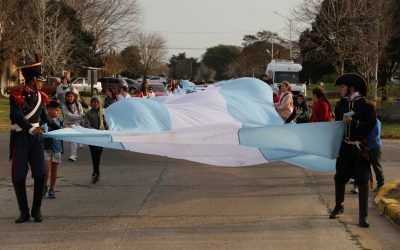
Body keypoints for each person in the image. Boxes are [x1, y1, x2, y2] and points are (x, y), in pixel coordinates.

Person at [9, 55, 61, 223]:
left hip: (36, 140)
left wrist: (62, 129)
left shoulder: (41, 97)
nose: (42, 82)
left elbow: (46, 118)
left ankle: (36, 209)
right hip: (20, 139)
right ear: (32, 80)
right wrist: (31, 128)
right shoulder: (17, 95)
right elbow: (17, 116)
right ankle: (23, 212)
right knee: (19, 175)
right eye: (40, 80)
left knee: (40, 174)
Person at [329, 73, 376, 228]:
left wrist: (354, 123)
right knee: (340, 177)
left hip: (359, 148)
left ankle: (363, 216)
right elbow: (336, 128)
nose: (340, 90)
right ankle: (338, 206)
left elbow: (369, 126)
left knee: (362, 180)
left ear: (351, 88)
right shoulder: (341, 104)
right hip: (344, 148)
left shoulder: (366, 105)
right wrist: (335, 146)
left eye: (342, 87)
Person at [41, 101, 63, 199]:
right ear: (48, 109)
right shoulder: (43, 120)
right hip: (46, 148)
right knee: (46, 169)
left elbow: (62, 134)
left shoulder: (59, 121)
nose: (58, 112)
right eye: (56, 110)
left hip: (57, 148)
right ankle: (44, 186)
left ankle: (52, 189)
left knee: (54, 170)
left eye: (59, 111)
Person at [83, 96, 108, 183]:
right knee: (94, 155)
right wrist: (94, 131)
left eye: (97, 102)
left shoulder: (103, 113)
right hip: (92, 138)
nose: (95, 104)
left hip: (101, 138)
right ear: (91, 103)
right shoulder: (88, 113)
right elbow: (86, 125)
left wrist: (108, 132)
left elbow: (106, 124)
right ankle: (95, 173)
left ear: (99, 103)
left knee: (98, 155)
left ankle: (96, 172)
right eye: (93, 102)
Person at [62, 91, 84, 161]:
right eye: (68, 97)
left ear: (74, 97)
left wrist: (81, 117)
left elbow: (81, 113)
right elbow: (70, 116)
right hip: (67, 124)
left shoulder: (78, 104)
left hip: (76, 124)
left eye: (71, 96)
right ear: (66, 97)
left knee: (73, 139)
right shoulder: (64, 106)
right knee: (71, 139)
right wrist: (81, 116)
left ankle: (73, 155)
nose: (70, 98)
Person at [370, 116, 384, 192]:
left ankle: (381, 184)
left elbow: (375, 133)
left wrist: (365, 137)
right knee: (363, 167)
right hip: (367, 146)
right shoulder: (366, 118)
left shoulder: (375, 121)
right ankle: (360, 184)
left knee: (376, 166)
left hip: (375, 147)